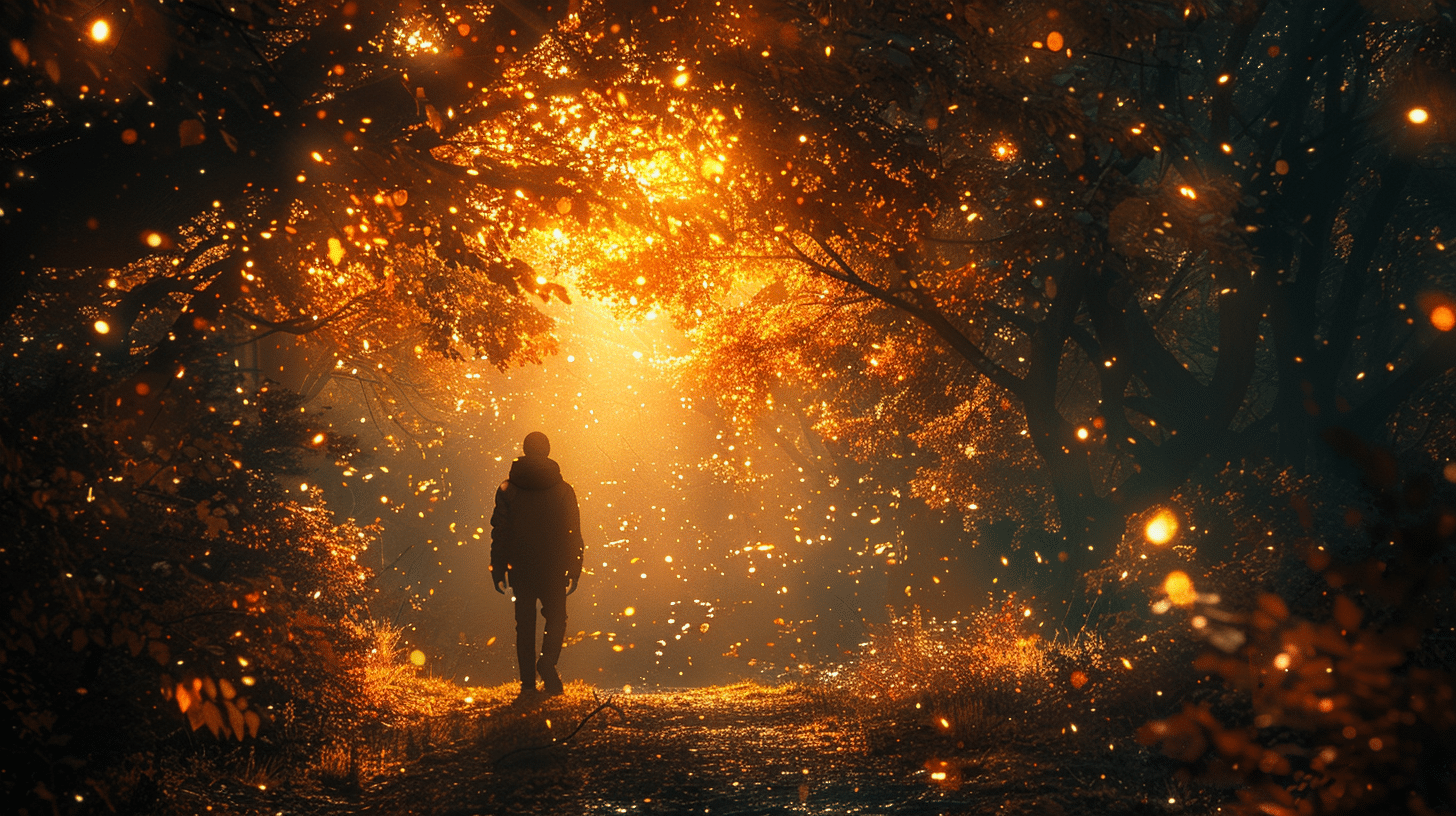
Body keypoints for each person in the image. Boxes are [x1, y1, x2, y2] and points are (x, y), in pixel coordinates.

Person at [490, 431, 583, 700]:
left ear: (524, 450)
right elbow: (573, 532)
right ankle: (547, 663)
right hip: (554, 565)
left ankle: (528, 686)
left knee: (525, 625)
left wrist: (498, 568)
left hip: (520, 565)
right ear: (548, 451)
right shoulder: (564, 490)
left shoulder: (508, 488)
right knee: (557, 619)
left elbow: (500, 531)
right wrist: (574, 567)